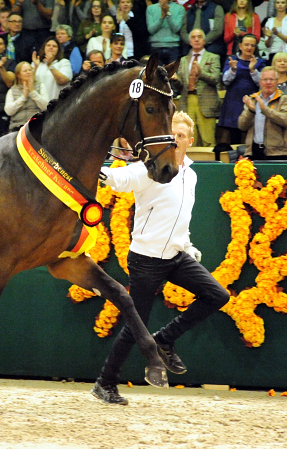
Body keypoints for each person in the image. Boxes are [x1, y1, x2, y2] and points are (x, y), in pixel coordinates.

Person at [91, 111, 230, 405]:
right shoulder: (150, 167)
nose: (176, 140)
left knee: (217, 295)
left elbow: (181, 217)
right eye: (172, 135)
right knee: (135, 326)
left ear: (190, 141)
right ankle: (105, 383)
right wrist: (98, 171)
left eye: (181, 136)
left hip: (177, 256)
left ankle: (165, 339)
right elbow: (121, 177)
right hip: (146, 260)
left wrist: (187, 245)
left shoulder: (191, 175)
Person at [171, 29, 221, 147]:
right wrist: (176, 80)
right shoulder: (183, 60)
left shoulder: (213, 57)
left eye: (199, 37)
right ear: (190, 41)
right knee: (188, 142)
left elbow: (215, 79)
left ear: (204, 40)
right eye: (193, 37)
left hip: (206, 104)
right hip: (187, 102)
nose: (196, 39)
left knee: (208, 140)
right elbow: (181, 86)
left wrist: (201, 73)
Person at [217, 34, 266, 144]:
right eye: (246, 44)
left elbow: (263, 83)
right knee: (234, 135)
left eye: (252, 45)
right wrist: (233, 69)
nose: (249, 48)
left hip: (252, 101)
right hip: (233, 101)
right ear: (240, 46)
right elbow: (225, 81)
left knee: (252, 132)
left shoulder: (260, 62)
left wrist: (253, 70)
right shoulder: (232, 60)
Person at [238, 66, 287, 160]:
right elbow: (241, 126)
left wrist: (265, 109)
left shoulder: (285, 99)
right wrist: (251, 111)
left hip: (278, 153)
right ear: (260, 82)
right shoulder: (253, 99)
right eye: (265, 79)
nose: (268, 82)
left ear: (277, 81)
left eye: (271, 79)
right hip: (253, 151)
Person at [4, 61, 48, 130]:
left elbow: (46, 107)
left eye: (30, 70)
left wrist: (33, 92)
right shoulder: (12, 90)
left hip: (37, 125)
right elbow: (9, 111)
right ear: (18, 75)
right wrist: (23, 97)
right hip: (17, 126)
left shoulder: (40, 86)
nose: (28, 72)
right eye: (25, 71)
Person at [147, 0, 184, 66]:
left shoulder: (180, 8)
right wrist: (162, 17)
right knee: (155, 75)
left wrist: (167, 14)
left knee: (173, 75)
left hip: (173, 47)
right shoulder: (151, 8)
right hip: (156, 47)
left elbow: (176, 29)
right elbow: (151, 30)